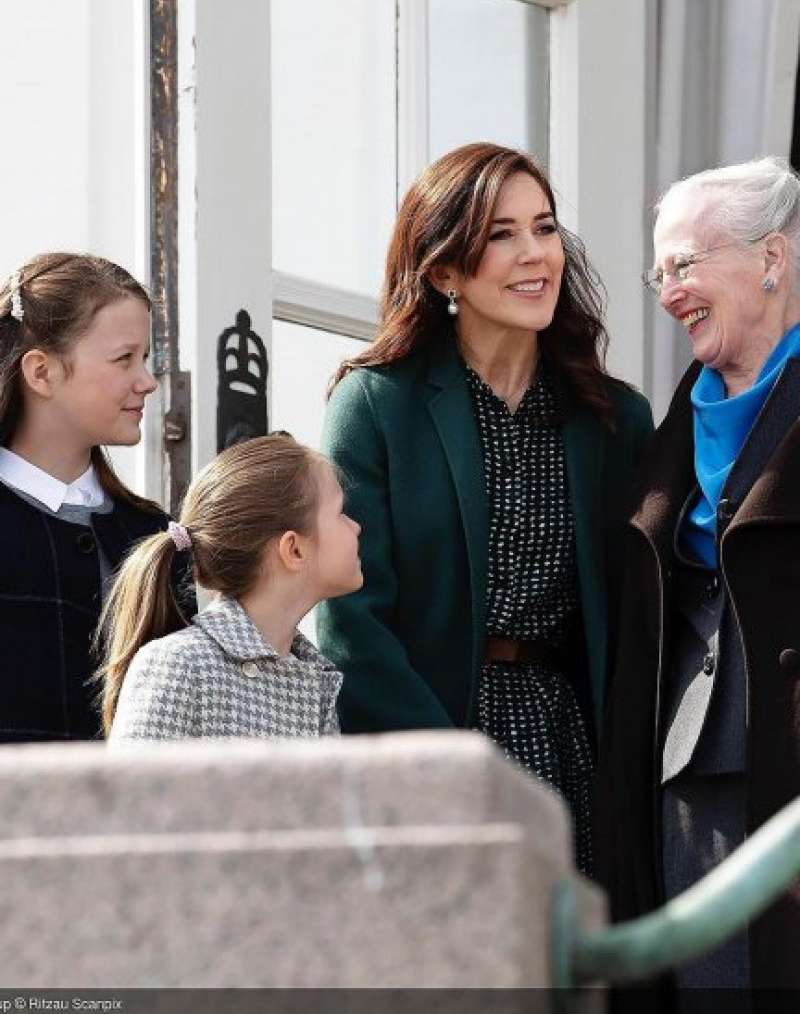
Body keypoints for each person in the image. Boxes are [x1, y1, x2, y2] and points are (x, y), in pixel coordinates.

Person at [317, 142, 654, 874]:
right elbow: (351, 620)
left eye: (545, 226)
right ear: (443, 270)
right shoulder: (376, 404)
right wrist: (447, 770)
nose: (536, 254)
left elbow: (642, 618)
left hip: (575, 751)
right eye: (501, 235)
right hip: (426, 751)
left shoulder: (616, 420)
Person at [594, 156, 800, 999]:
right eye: (660, 273)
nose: (670, 290)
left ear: (771, 259)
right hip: (687, 782)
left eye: (686, 263)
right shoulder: (668, 430)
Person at [0, 251, 192, 744]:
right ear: (41, 373)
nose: (147, 381)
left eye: (146, 358)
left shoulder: (159, 539)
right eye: (124, 358)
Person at [103, 434, 360, 744]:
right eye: (340, 512)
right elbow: (132, 792)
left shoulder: (313, 676)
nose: (355, 526)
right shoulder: (176, 665)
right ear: (294, 550)